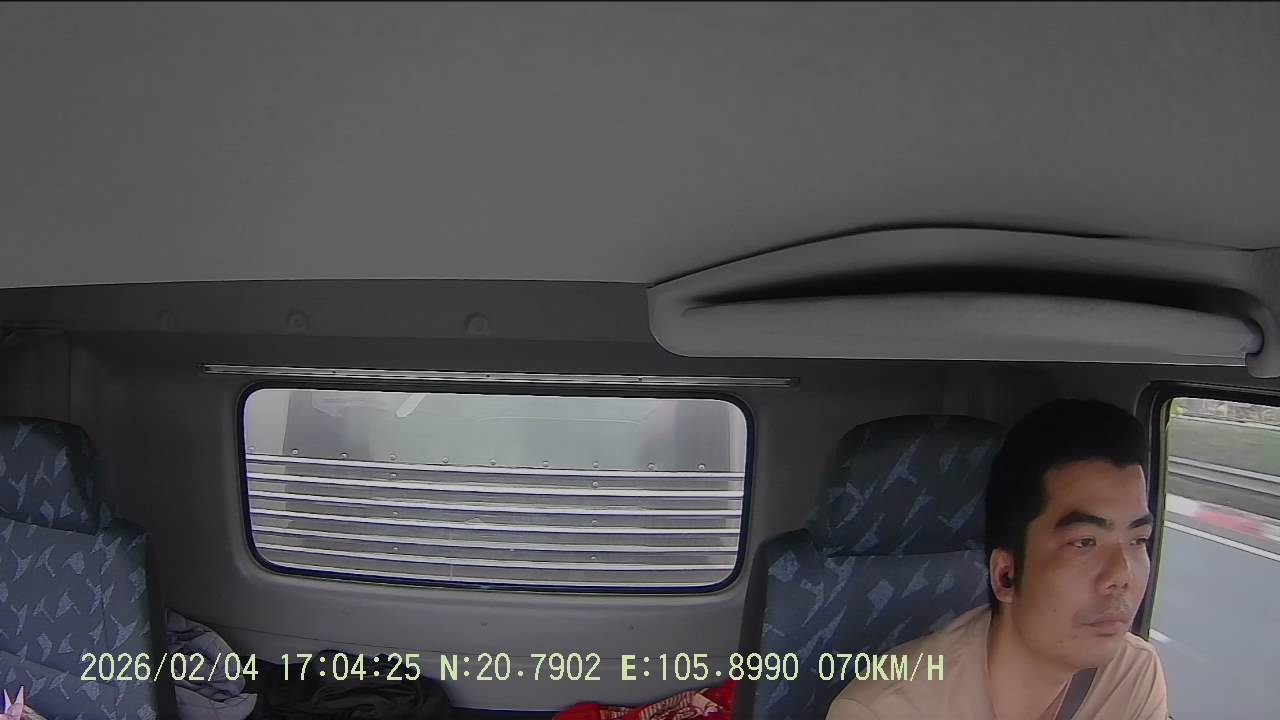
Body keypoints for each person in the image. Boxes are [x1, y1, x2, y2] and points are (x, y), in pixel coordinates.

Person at [827, 399, 1169, 720]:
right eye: (1084, 542)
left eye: (1138, 540)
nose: (1121, 574)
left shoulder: (1132, 674)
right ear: (1006, 574)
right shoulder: (885, 711)